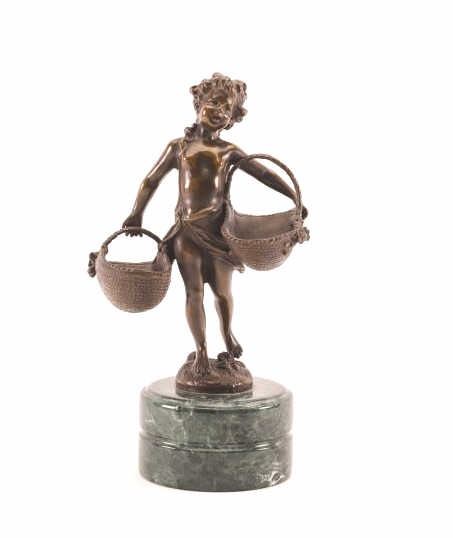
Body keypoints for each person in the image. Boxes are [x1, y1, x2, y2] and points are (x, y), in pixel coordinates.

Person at [122, 73, 304, 376]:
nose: (219, 111)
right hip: (186, 232)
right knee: (193, 292)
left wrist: (292, 196)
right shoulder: (179, 148)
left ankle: (228, 335)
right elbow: (151, 180)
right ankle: (202, 352)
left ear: (232, 118)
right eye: (214, 102)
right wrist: (136, 214)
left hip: (219, 233)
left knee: (222, 292)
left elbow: (263, 173)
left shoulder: (228, 151)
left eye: (227, 108)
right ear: (198, 104)